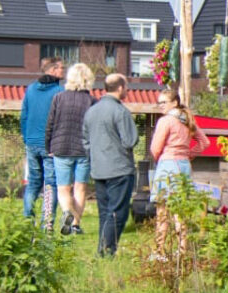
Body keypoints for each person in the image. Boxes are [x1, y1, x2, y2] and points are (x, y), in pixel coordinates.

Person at [83, 74, 139, 258]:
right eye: (127, 87)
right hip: (119, 169)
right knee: (117, 213)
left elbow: (85, 141)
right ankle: (107, 249)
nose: (127, 90)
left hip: (98, 169)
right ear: (120, 88)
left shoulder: (91, 111)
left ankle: (103, 249)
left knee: (105, 212)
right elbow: (130, 140)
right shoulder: (120, 111)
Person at [46, 62, 97, 237]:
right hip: (83, 149)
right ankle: (75, 225)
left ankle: (67, 211)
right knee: (80, 188)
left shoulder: (59, 98)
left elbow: (50, 124)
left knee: (63, 188)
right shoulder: (92, 101)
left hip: (61, 147)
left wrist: (48, 146)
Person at [19, 57, 65, 229]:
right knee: (50, 184)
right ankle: (47, 222)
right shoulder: (59, 92)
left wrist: (26, 137)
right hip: (49, 144)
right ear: (52, 70)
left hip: (31, 142)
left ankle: (27, 219)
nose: (63, 71)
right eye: (61, 68)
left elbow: (24, 116)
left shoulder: (30, 89)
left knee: (33, 182)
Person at [148, 85, 207, 198]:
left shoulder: (165, 121)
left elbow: (155, 148)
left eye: (164, 102)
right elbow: (204, 142)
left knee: (164, 202)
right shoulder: (188, 120)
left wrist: (159, 158)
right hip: (185, 165)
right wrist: (188, 154)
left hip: (168, 165)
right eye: (159, 103)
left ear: (175, 103)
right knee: (182, 203)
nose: (161, 105)